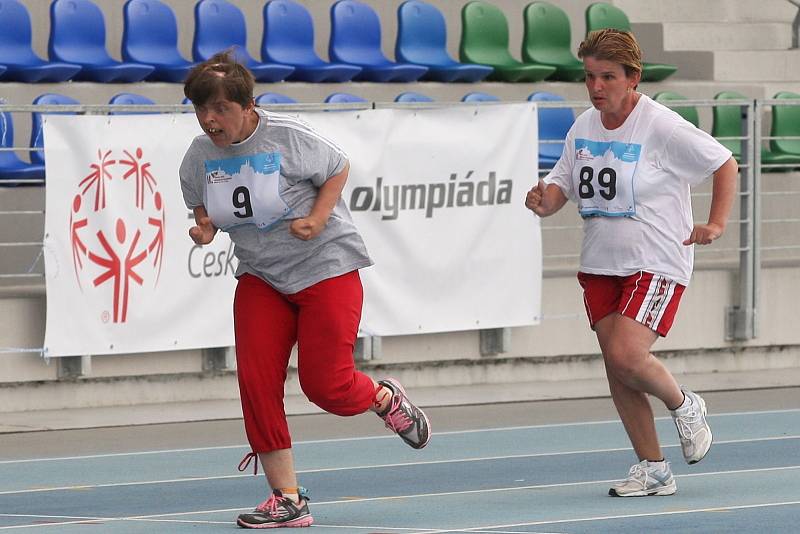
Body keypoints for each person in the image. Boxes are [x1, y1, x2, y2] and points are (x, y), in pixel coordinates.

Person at [179, 52, 431, 528]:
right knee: (255, 383)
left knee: (326, 385)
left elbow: (337, 168)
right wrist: (204, 231)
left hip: (326, 269)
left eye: (219, 109)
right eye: (199, 109)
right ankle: (287, 499)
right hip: (261, 276)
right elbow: (204, 210)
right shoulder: (198, 156)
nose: (209, 120)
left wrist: (317, 218)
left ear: (247, 104)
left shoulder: (289, 137)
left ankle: (384, 398)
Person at [525, 29, 737, 497]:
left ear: (632, 77)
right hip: (602, 260)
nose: (597, 87)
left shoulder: (660, 125)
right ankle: (654, 468)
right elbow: (561, 186)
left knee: (626, 354)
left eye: (607, 77)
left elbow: (725, 163)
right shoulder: (583, 126)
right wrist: (543, 201)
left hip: (656, 258)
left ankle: (685, 403)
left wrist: (715, 224)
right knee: (616, 366)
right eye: (589, 77)